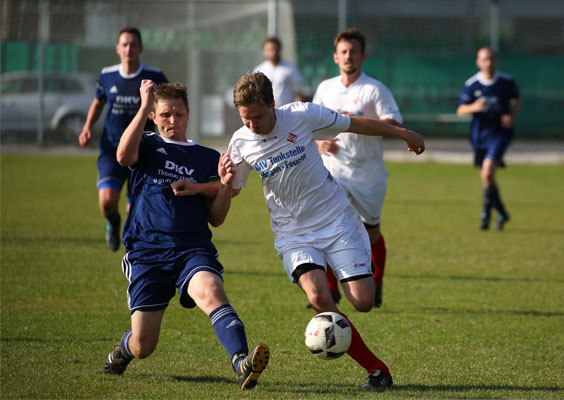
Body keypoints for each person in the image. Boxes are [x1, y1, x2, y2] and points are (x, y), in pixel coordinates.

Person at [227, 72, 424, 390]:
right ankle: (377, 369)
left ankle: (343, 262)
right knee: (318, 297)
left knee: (362, 301)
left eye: (258, 117)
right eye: (245, 119)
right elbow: (231, 190)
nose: (252, 125)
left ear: (273, 105)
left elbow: (355, 123)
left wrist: (403, 134)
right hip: (293, 232)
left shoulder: (302, 114)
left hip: (336, 220)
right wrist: (210, 185)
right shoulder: (240, 141)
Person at [102, 80, 269, 390]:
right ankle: (123, 349)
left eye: (179, 114)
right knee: (143, 346)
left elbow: (216, 219)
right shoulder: (147, 144)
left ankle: (242, 363)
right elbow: (123, 157)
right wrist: (143, 105)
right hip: (147, 252)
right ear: (154, 117)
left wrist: (227, 184)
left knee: (211, 293)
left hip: (193, 249)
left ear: (189, 114)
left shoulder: (207, 157)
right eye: (165, 114)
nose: (173, 121)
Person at [312, 28, 402, 308]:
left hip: (368, 174)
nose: (348, 56)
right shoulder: (325, 88)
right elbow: (310, 126)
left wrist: (356, 121)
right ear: (335, 57)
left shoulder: (374, 89)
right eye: (343, 51)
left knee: (371, 232)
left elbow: (396, 125)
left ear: (363, 56)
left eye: (353, 51)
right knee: (326, 226)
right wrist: (319, 143)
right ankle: (329, 289)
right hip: (333, 170)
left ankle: (376, 283)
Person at [79, 26, 168, 252]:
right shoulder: (108, 75)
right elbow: (98, 102)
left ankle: (134, 253)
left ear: (141, 48)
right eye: (124, 44)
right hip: (111, 149)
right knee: (107, 201)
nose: (129, 48)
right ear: (118, 48)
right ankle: (112, 222)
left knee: (134, 210)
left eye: (133, 44)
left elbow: (166, 106)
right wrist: (87, 127)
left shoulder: (154, 76)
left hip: (142, 153)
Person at [456, 46, 521, 230]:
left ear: (496, 60)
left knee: (488, 172)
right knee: (487, 177)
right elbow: (460, 109)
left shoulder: (506, 81)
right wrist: (474, 107)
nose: (489, 63)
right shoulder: (472, 85)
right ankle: (500, 212)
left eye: (492, 59)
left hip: (500, 133)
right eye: (485, 59)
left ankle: (486, 212)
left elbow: (517, 99)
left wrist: (511, 117)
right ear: (478, 62)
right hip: (478, 135)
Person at [253, 36, 303, 107]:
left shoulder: (290, 68)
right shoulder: (259, 70)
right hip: (267, 113)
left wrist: (297, 109)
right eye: (270, 49)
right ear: (264, 52)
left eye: (276, 49)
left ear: (280, 50)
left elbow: (298, 92)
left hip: (287, 112)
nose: (273, 52)